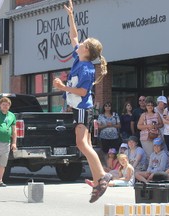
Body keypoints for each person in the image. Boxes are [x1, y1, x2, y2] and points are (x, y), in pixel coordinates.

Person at [52, 0, 111, 203]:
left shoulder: (86, 68)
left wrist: (62, 88)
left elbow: (82, 90)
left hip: (83, 109)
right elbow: (74, 35)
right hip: (80, 108)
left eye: (83, 44)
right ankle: (99, 180)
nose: (79, 44)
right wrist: (71, 16)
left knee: (83, 144)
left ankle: (102, 176)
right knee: (84, 144)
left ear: (86, 51)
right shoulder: (79, 59)